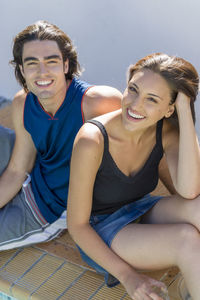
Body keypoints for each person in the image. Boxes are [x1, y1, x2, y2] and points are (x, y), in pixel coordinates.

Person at [67, 53, 200, 300]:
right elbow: (77, 226)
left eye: (152, 99)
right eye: (133, 90)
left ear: (168, 108)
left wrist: (184, 110)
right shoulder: (91, 140)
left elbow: (190, 191)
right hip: (101, 228)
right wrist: (128, 277)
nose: (136, 105)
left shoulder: (166, 130)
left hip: (141, 208)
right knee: (187, 240)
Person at [0, 20, 122, 250]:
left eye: (51, 61)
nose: (42, 71)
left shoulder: (98, 103)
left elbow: (148, 143)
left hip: (50, 207)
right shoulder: (22, 102)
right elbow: (17, 170)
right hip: (34, 175)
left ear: (66, 65)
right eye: (32, 63)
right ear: (22, 70)